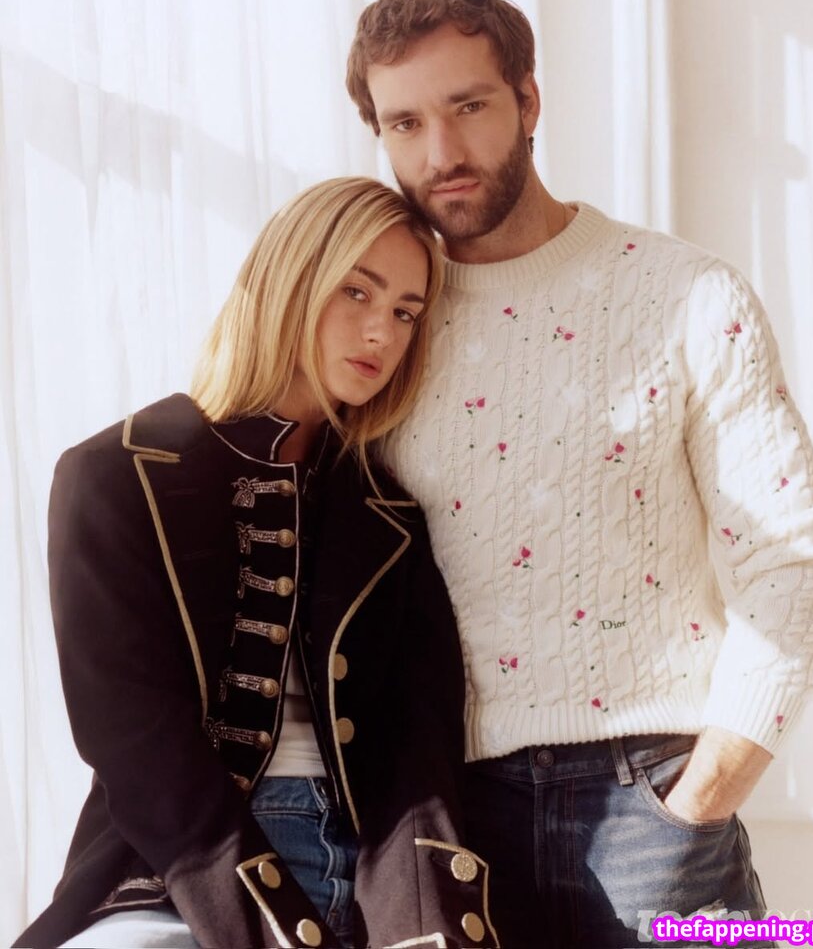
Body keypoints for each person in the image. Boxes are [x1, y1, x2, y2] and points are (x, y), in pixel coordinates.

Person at [345, 0, 813, 948]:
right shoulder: (385, 326)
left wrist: (696, 803)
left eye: (468, 107)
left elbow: (797, 571)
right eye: (405, 123)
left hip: (654, 801)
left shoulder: (685, 295)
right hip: (451, 818)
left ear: (528, 100)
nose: (440, 154)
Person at [15, 177, 499, 949]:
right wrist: (272, 928)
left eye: (405, 312)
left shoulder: (389, 514)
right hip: (181, 878)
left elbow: (420, 754)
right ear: (289, 281)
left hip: (370, 879)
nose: (381, 332)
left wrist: (424, 928)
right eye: (356, 291)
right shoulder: (116, 474)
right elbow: (133, 740)